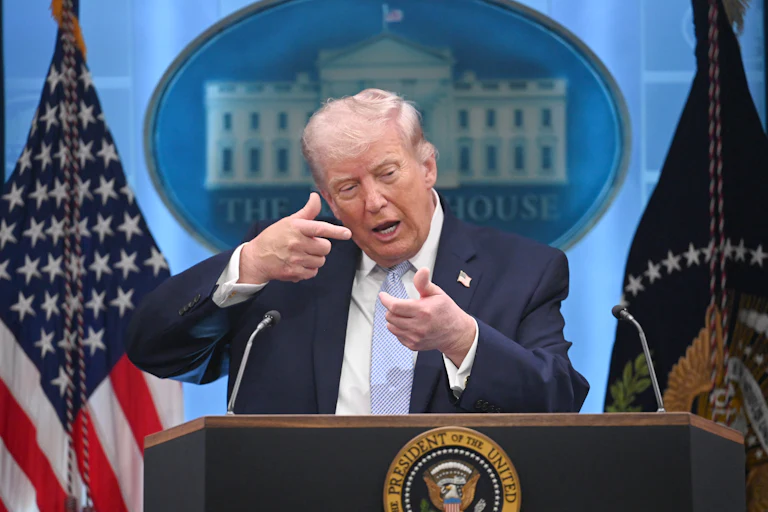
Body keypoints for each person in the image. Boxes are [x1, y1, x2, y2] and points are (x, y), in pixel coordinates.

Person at [126, 89, 589, 415]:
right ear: (327, 198)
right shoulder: (287, 265)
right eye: (348, 187)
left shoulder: (524, 271)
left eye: (388, 174)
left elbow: (559, 401)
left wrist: (462, 341)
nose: (373, 202)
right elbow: (154, 350)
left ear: (427, 166)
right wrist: (247, 264)